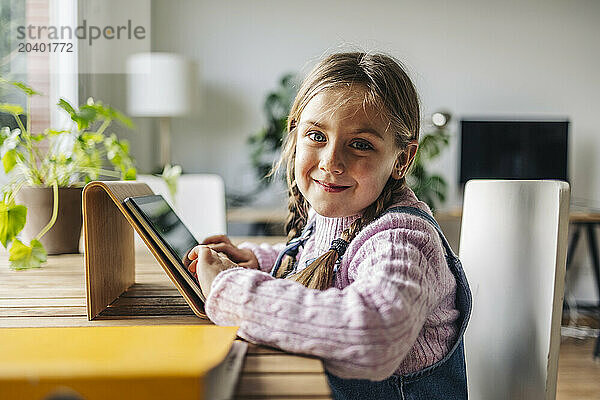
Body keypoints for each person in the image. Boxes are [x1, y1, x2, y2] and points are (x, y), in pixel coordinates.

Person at [186, 52, 472, 399]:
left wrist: (233, 290)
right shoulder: (340, 213)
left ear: (402, 159)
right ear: (295, 134)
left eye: (361, 145)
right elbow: (325, 258)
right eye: (317, 136)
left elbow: (375, 334)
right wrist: (257, 260)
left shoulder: (402, 239)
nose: (332, 162)